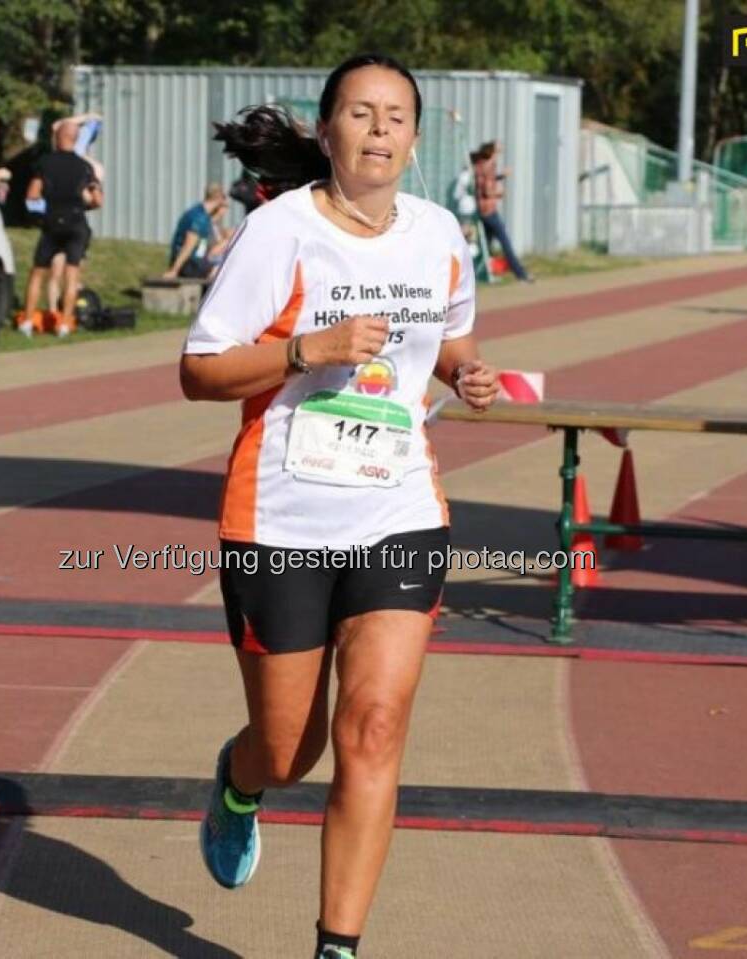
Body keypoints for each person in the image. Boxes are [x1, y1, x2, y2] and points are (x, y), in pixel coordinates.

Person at [179, 54, 499, 959]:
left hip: (396, 510)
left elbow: (449, 336)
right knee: (292, 751)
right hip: (280, 518)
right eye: (361, 113)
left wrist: (463, 370)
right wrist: (301, 349)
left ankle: (337, 947)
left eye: (396, 115)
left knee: (375, 726)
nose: (380, 130)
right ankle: (240, 783)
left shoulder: (438, 232)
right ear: (328, 133)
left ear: (415, 137)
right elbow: (199, 371)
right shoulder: (280, 232)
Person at [16, 120, 102, 337]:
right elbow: (97, 200)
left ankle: (27, 320)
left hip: (53, 221)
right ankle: (65, 323)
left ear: (58, 138)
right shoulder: (84, 167)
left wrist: (43, 207)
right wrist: (83, 205)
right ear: (75, 139)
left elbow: (32, 194)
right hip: (76, 222)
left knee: (38, 272)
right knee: (72, 274)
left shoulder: (45, 163)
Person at [474, 141, 532, 283]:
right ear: (492, 152)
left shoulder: (480, 164)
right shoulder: (490, 165)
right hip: (490, 211)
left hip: (482, 210)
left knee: (485, 245)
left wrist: (501, 176)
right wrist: (499, 193)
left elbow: (485, 181)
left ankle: (474, 274)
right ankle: (521, 274)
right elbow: (487, 190)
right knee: (505, 242)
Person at [164, 183, 229, 280]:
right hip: (189, 264)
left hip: (195, 261)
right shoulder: (199, 218)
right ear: (219, 198)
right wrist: (174, 270)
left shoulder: (200, 212)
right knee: (225, 268)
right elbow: (188, 247)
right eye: (224, 198)